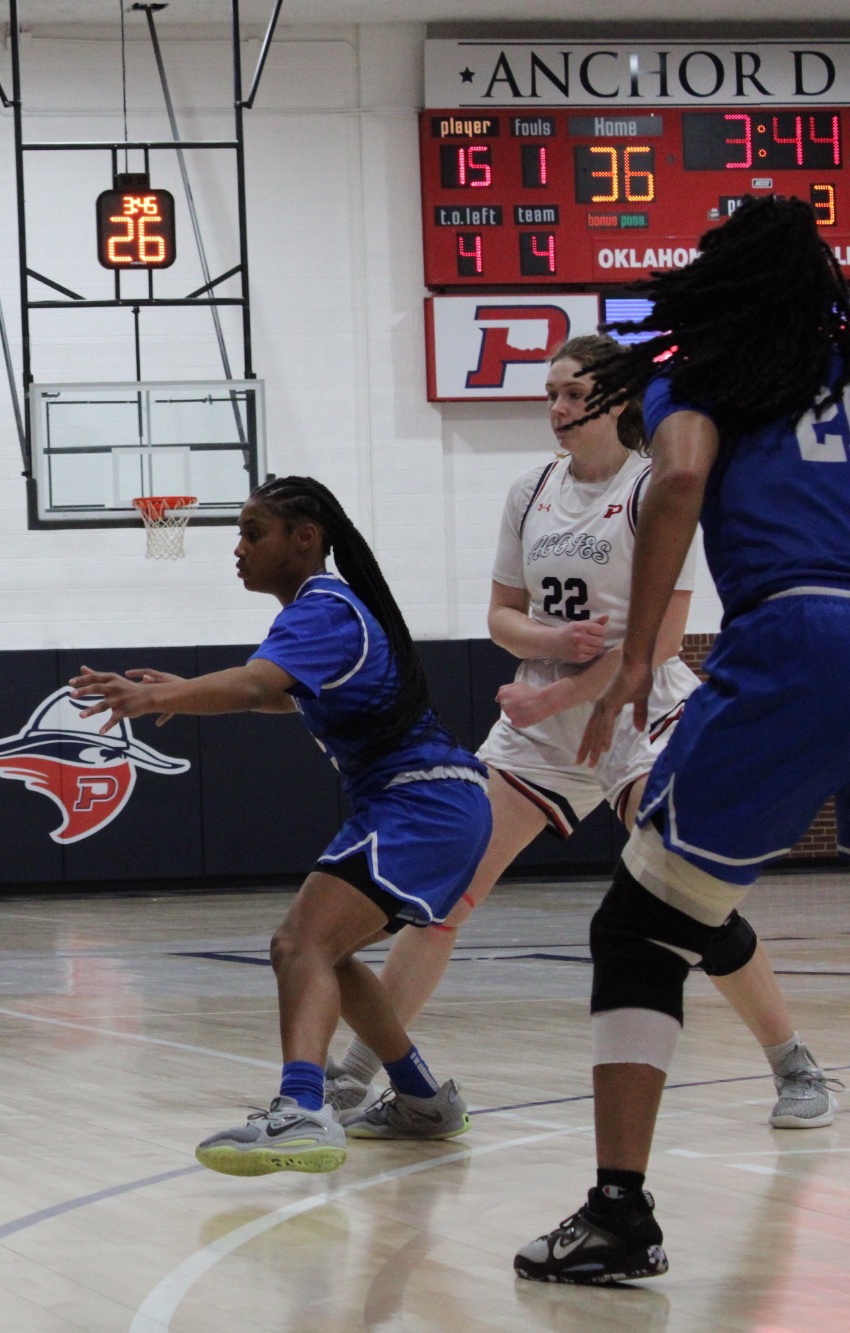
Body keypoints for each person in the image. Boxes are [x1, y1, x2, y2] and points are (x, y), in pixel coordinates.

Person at [326, 335, 835, 1133]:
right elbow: (500, 616)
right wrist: (548, 651)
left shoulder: (653, 487)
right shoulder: (529, 492)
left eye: (571, 394)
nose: (556, 409)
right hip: (541, 727)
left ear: (616, 401)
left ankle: (794, 1062)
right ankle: (364, 1075)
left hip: (640, 715)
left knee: (690, 905)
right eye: (550, 394)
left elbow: (662, 638)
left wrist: (568, 681)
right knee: (442, 899)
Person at [514, 196, 850, 1284]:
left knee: (642, 925)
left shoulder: (702, 368)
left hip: (797, 630)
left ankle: (617, 1212)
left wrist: (626, 664)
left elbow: (684, 480)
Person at [73, 475, 492, 1176]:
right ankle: (422, 1099)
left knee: (297, 941)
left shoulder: (322, 606)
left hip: (422, 802)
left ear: (305, 539)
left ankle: (303, 1108)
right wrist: (179, 691)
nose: (238, 549)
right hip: (432, 803)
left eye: (251, 532)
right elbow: (282, 695)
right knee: (327, 953)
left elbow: (256, 685)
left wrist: (157, 694)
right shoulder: (326, 611)